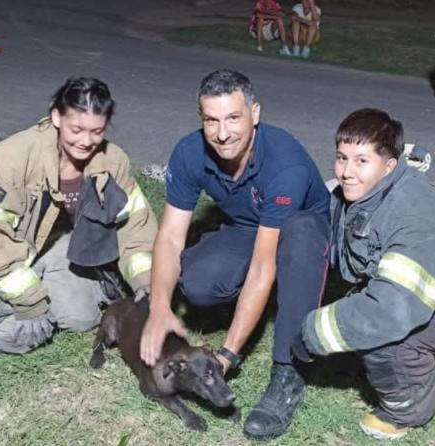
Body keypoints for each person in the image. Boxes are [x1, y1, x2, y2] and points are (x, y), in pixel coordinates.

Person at [140, 69, 330, 441]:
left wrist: (227, 354)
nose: (222, 133)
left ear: (254, 113)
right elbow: (170, 238)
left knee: (296, 242)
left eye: (233, 118)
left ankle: (288, 372)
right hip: (249, 226)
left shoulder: (283, 164)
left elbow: (263, 266)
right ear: (201, 118)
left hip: (305, 234)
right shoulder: (189, 153)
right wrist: (159, 307)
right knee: (197, 283)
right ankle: (262, 301)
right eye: (211, 120)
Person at [292, 109, 435, 440]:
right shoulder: (361, 190)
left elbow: (391, 311)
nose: (346, 172)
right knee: (362, 320)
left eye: (361, 161)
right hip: (401, 288)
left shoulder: (416, 214)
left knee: (384, 337)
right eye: (341, 158)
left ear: (389, 166)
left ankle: (408, 409)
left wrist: (311, 333)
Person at [0, 77, 158, 354]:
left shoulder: (112, 161)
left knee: (81, 318)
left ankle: (46, 289)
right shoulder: (0, 166)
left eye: (97, 131)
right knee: (24, 334)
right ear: (56, 115)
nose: (86, 141)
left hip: (44, 249)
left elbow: (135, 227)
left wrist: (147, 285)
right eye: (76, 129)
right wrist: (31, 301)